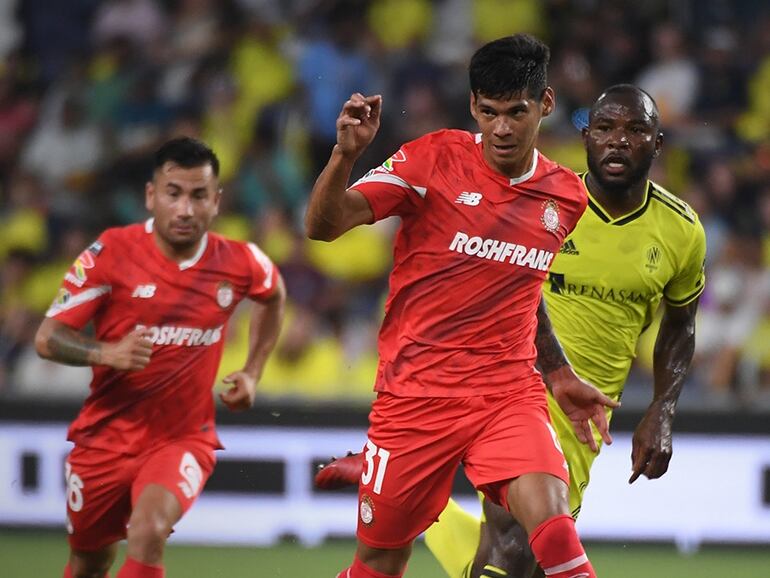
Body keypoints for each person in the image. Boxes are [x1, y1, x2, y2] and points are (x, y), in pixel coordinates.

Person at [316, 85, 707, 578]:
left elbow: (681, 321)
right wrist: (554, 369)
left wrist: (663, 407)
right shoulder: (548, 198)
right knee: (518, 549)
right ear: (586, 137)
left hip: (590, 408)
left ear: (658, 142)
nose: (618, 142)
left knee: (520, 561)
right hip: (519, 387)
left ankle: (400, 484)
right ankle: (399, 477)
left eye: (635, 131)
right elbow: (503, 284)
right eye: (605, 129)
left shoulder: (681, 229)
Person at [305, 34, 618, 578]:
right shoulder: (431, 160)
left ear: (544, 105)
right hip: (415, 399)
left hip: (506, 394)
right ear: (474, 106)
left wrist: (559, 374)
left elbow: (523, 289)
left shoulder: (566, 196)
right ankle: (384, 472)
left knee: (551, 520)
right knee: (380, 561)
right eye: (490, 112)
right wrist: (345, 155)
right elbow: (323, 227)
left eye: (516, 112)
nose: (501, 128)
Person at [34, 137, 286, 578]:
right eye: (174, 194)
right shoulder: (111, 253)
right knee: (88, 562)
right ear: (151, 196)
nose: (185, 209)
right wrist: (105, 352)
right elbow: (48, 337)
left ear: (216, 201)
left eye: (198, 195)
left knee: (148, 531)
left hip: (183, 438)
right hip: (105, 438)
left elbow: (273, 295)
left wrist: (252, 370)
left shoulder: (241, 261)